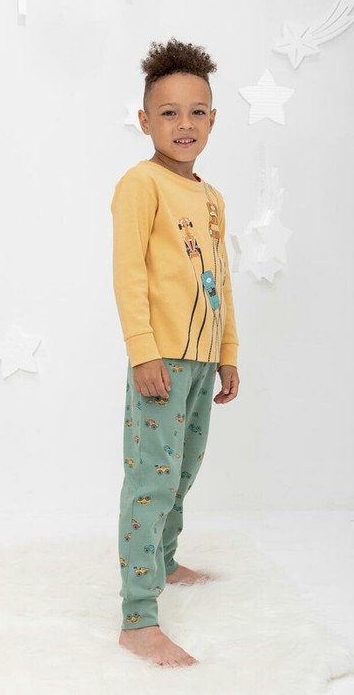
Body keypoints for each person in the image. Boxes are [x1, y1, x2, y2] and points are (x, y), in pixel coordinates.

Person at [111, 37, 240, 668]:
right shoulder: (141, 185)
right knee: (151, 482)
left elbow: (222, 279)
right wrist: (143, 352)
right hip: (161, 360)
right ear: (145, 120)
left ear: (213, 120)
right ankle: (138, 618)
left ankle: (164, 560)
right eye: (168, 112)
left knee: (182, 472)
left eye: (196, 112)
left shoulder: (212, 199)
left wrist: (228, 351)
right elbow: (128, 273)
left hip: (201, 361)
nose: (183, 124)